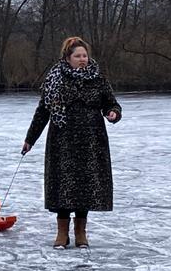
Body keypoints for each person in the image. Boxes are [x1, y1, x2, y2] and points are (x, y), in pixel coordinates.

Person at [22, 36, 122, 249]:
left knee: (85, 187)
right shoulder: (54, 79)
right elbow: (43, 111)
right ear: (67, 58)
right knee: (63, 188)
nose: (83, 59)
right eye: (78, 56)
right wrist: (30, 139)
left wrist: (113, 113)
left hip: (91, 142)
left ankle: (81, 233)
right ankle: (61, 233)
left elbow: (111, 103)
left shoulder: (98, 78)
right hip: (62, 142)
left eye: (85, 55)